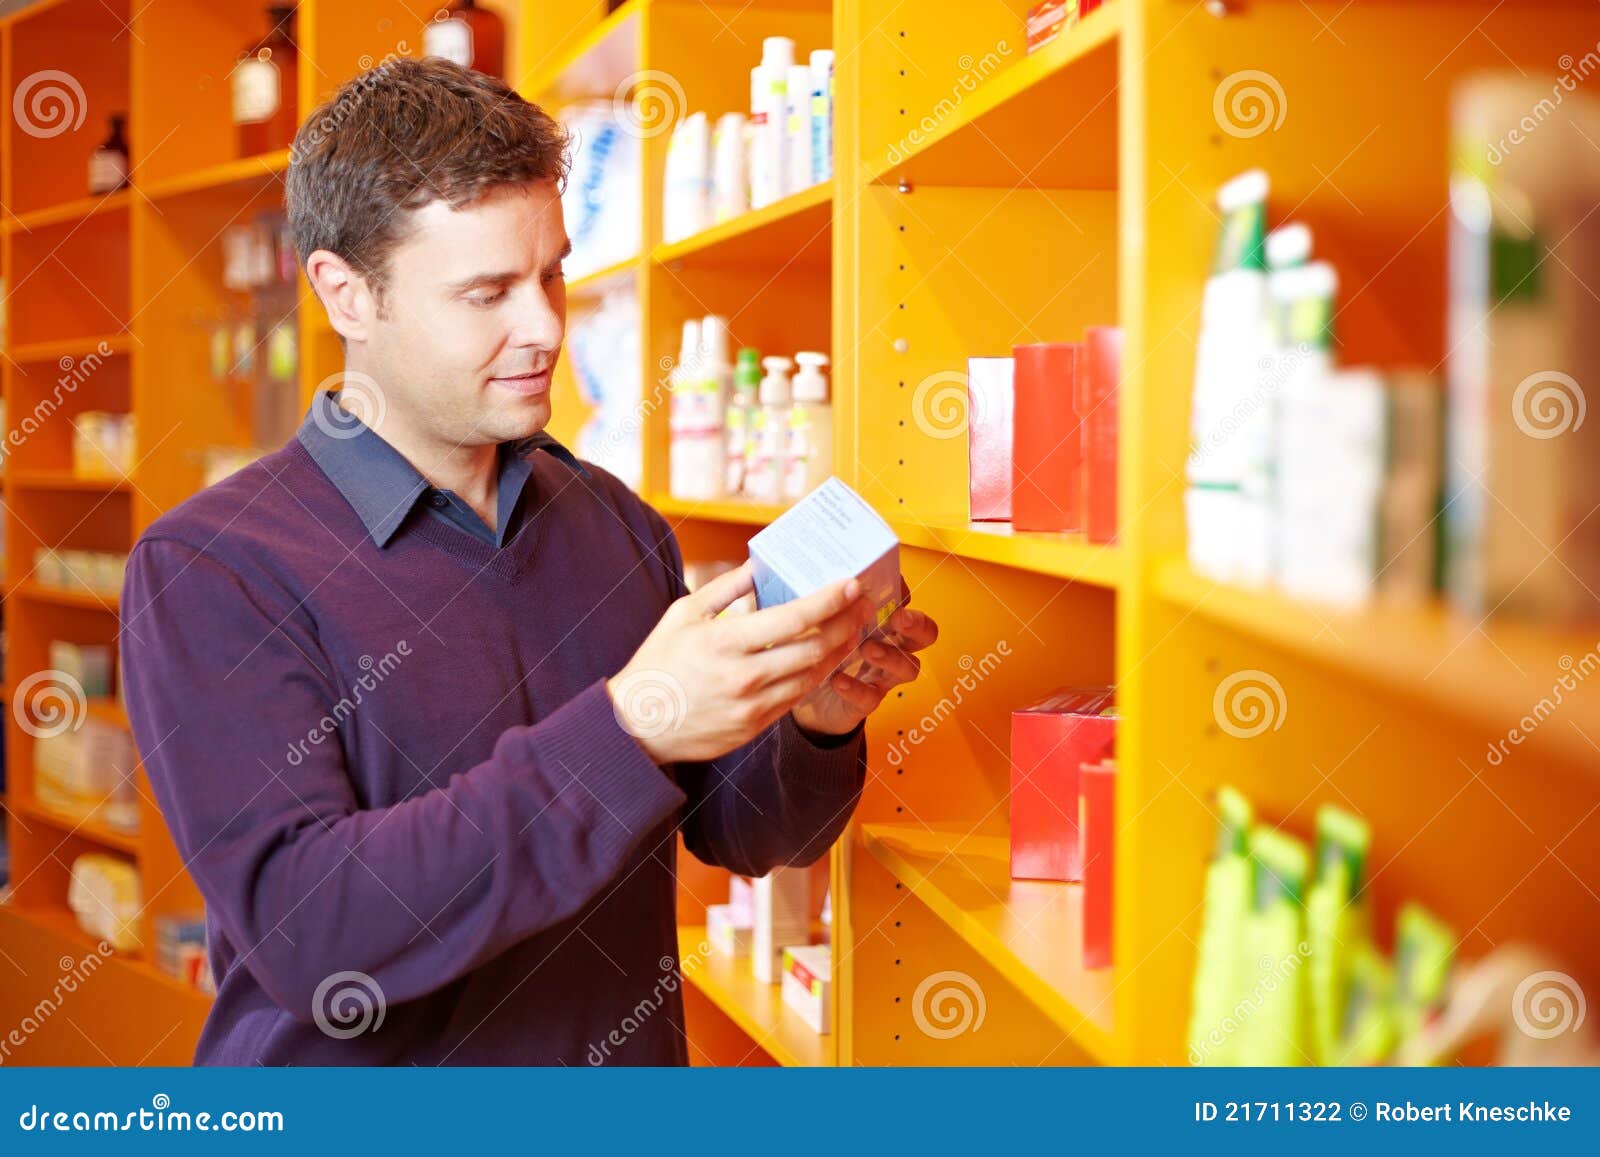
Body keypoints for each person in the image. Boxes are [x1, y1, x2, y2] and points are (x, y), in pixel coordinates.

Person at [118, 57, 937, 1065]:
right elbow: (314, 927)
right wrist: (629, 721)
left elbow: (740, 833)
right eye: (487, 291)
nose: (545, 324)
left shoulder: (613, 523)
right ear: (345, 293)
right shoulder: (217, 565)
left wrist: (815, 717)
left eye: (551, 270)